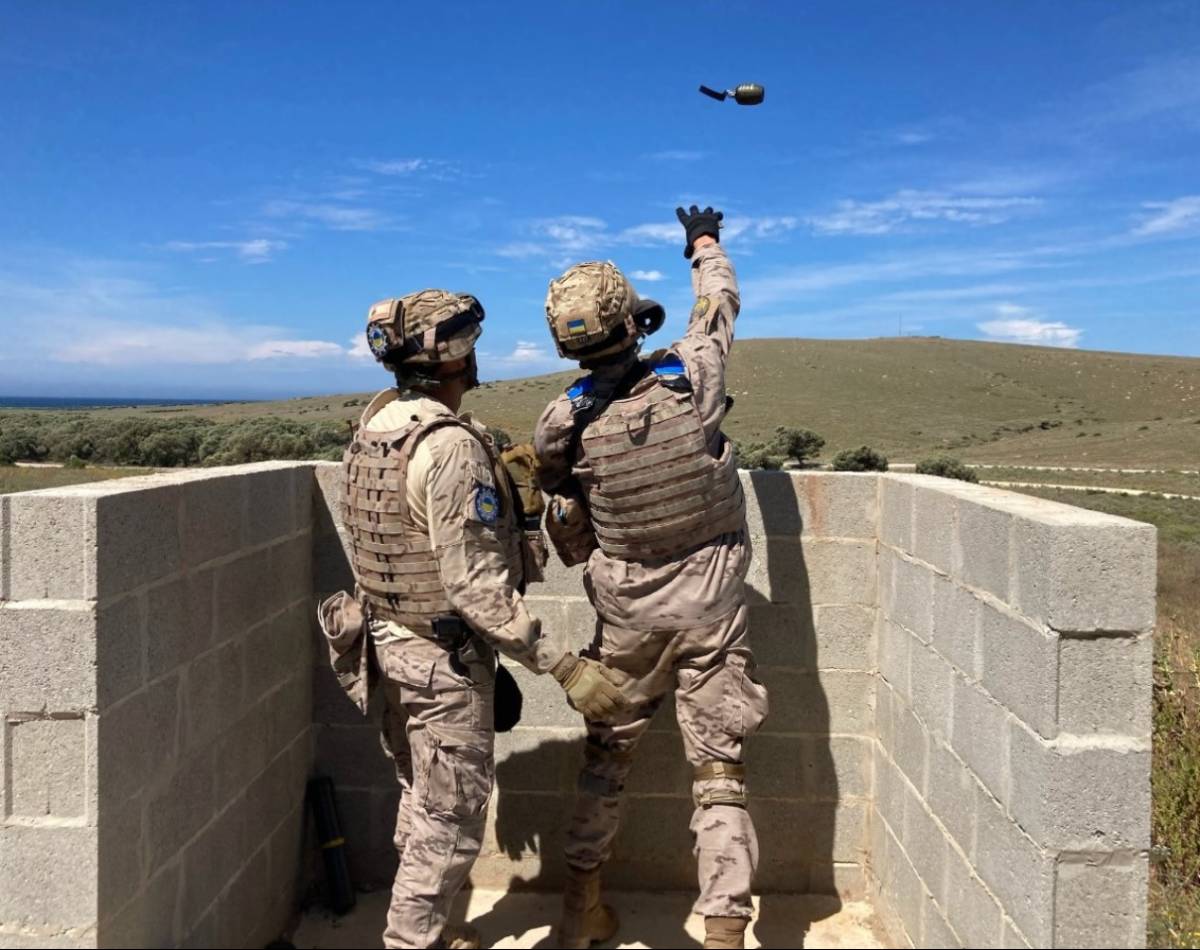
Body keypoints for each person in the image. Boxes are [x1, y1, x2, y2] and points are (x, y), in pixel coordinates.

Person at [319, 289, 628, 950]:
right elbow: (475, 588)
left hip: (387, 646)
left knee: (420, 800)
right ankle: (412, 941)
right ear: (459, 355)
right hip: (439, 660)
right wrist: (564, 667)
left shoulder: (377, 427)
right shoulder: (450, 446)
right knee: (452, 821)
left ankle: (443, 931)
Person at [533, 207, 769, 950]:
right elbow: (719, 303)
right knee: (719, 770)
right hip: (711, 605)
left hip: (627, 614)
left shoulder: (560, 422)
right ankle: (726, 930)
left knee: (606, 761)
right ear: (630, 322)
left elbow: (564, 517)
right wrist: (704, 244)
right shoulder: (690, 373)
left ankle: (580, 913)